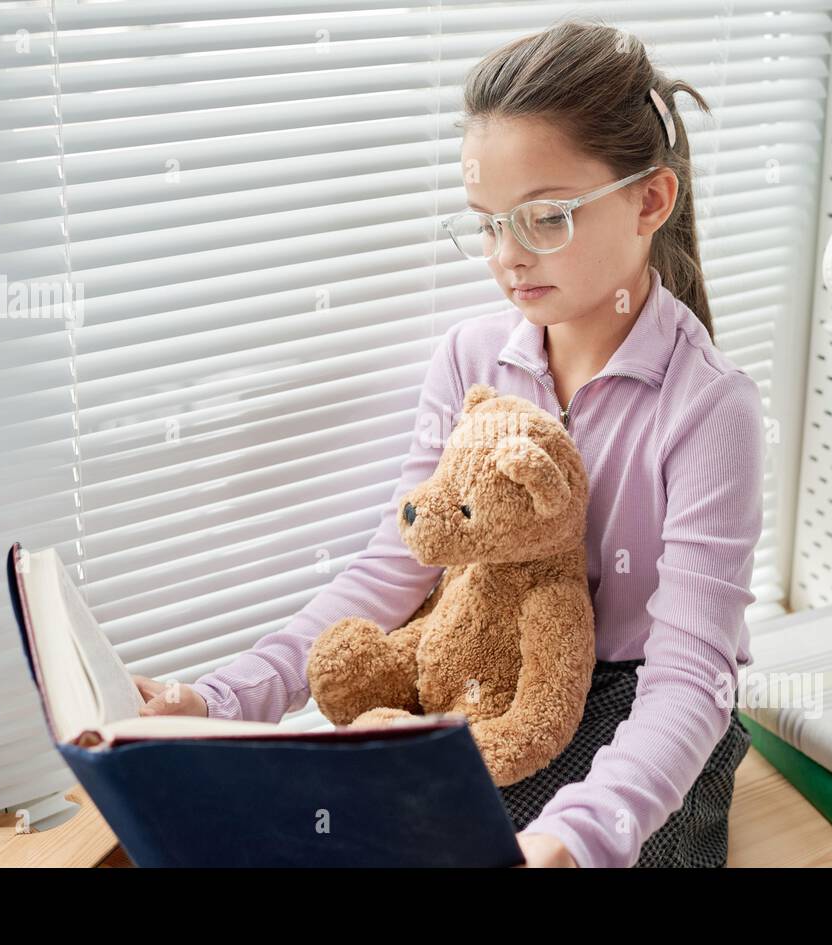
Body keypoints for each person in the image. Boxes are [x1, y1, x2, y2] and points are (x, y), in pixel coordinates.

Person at [131, 18, 764, 869]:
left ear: (650, 200)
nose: (507, 257)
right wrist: (216, 699)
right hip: (494, 669)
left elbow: (690, 681)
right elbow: (395, 565)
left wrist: (575, 837)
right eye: (487, 223)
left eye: (545, 219)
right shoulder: (471, 359)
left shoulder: (709, 408)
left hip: (637, 709)